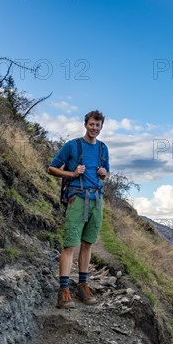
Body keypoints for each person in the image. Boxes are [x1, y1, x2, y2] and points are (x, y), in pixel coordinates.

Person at [48, 110, 110, 309]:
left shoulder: (103, 149)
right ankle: (64, 290)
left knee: (88, 244)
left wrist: (104, 173)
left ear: (101, 128)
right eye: (91, 124)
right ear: (85, 124)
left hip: (97, 200)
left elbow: (106, 174)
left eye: (98, 126)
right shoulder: (72, 146)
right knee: (70, 245)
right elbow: (52, 168)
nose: (94, 128)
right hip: (77, 199)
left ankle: (83, 286)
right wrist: (72, 173)